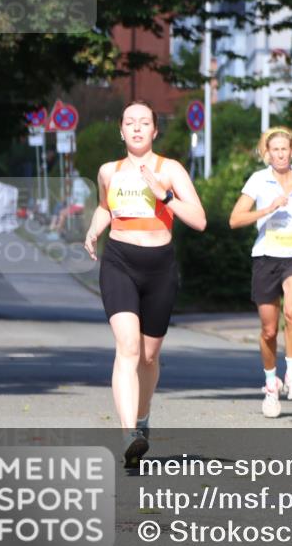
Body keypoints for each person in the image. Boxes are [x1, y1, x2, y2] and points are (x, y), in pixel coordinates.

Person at [83, 101, 207, 467]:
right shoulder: (109, 171)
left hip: (159, 266)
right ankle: (128, 435)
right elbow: (105, 207)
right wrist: (94, 229)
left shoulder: (170, 169)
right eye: (130, 122)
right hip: (119, 261)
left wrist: (164, 195)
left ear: (155, 130)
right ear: (121, 131)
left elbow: (199, 219)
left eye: (144, 122)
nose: (137, 128)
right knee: (128, 347)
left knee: (149, 356)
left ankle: (142, 416)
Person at [229, 127, 292, 417]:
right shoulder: (258, 180)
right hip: (266, 257)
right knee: (269, 330)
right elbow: (235, 219)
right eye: (275, 150)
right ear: (267, 153)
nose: (280, 154)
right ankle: (272, 383)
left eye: (285, 149)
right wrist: (267, 209)